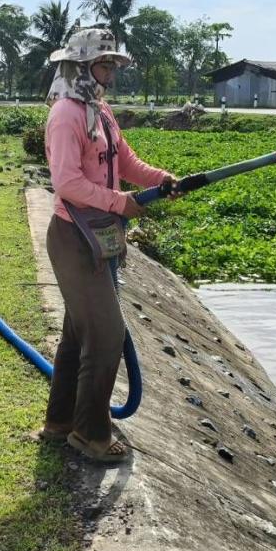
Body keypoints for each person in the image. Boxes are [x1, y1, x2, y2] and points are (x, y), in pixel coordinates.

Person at [40, 28, 176, 463]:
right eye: (104, 65)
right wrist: (121, 202)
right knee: (108, 334)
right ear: (81, 67)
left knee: (78, 334)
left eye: (113, 65)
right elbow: (67, 183)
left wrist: (160, 180)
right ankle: (92, 435)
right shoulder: (66, 115)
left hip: (98, 234)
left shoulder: (99, 111)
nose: (111, 73)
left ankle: (60, 423)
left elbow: (126, 162)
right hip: (74, 238)